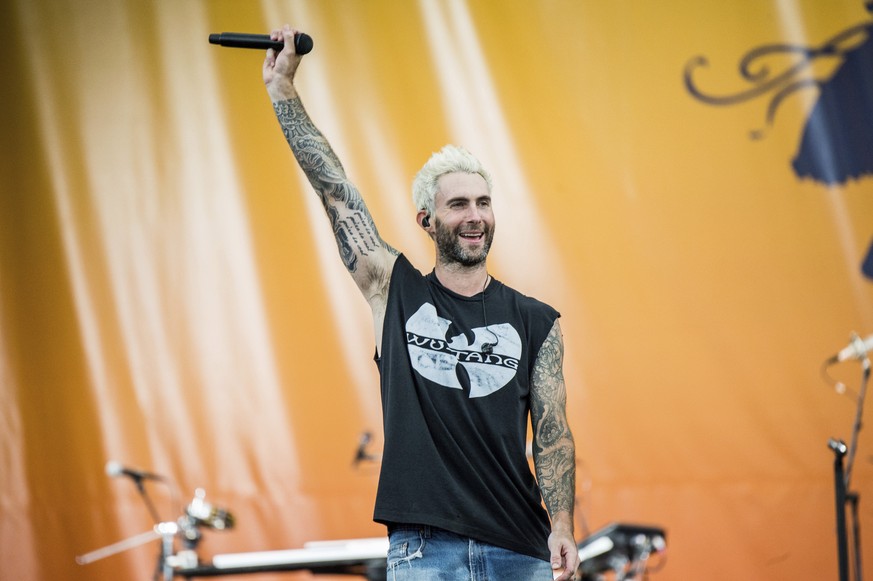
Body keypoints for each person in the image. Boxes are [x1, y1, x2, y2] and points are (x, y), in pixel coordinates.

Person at [262, 24, 579, 581]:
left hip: (521, 550)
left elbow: (552, 434)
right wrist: (283, 91)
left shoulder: (535, 321)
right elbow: (334, 189)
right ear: (427, 221)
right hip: (426, 550)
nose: (474, 215)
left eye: (483, 202)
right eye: (458, 204)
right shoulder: (394, 289)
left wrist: (562, 528)